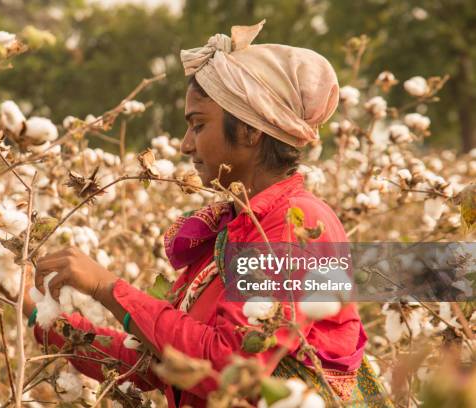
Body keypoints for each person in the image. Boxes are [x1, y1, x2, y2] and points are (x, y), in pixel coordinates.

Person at [21, 20, 392, 407]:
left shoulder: (291, 224)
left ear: (250, 131)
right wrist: (41, 317)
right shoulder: (232, 228)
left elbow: (228, 367)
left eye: (198, 125)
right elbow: (157, 363)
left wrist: (108, 288)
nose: (185, 145)